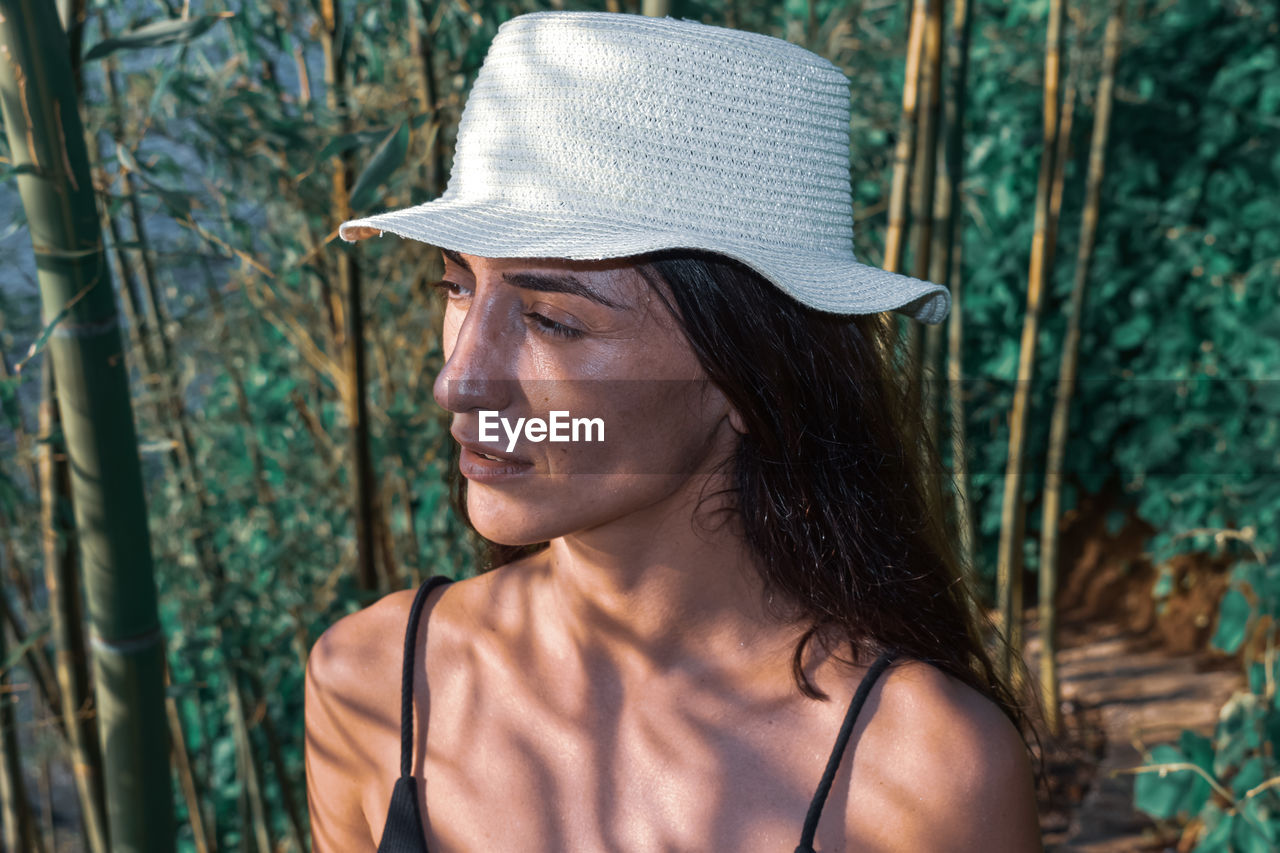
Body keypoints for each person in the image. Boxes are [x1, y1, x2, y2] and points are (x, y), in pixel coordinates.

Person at [305, 10, 1045, 852]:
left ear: (748, 376)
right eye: (456, 288)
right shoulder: (373, 688)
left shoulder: (921, 775)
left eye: (551, 320)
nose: (460, 381)